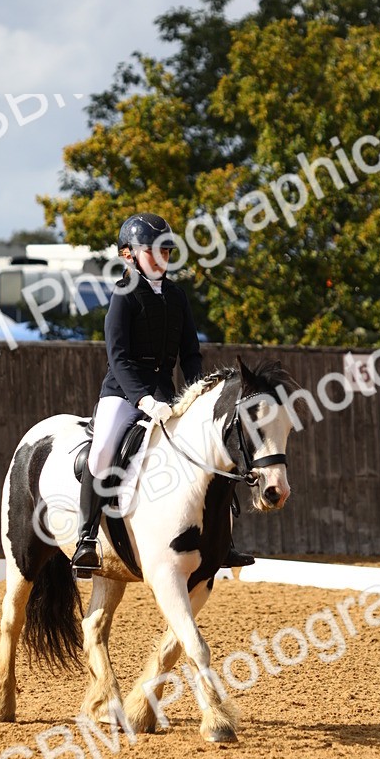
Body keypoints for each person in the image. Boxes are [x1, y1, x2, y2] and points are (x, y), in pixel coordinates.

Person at [71, 211, 255, 574]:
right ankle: (87, 539)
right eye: (153, 251)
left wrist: (201, 393)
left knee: (212, 446)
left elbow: (190, 352)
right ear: (128, 255)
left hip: (169, 395)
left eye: (167, 252)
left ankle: (224, 540)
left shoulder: (176, 296)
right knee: (103, 449)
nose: (162, 258)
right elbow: (118, 357)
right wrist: (143, 398)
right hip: (123, 394)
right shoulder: (123, 296)